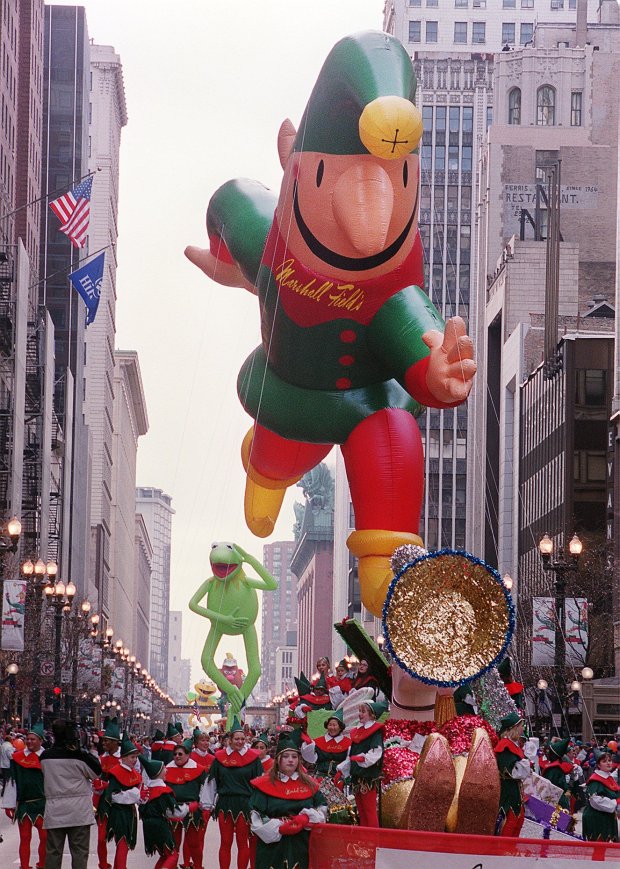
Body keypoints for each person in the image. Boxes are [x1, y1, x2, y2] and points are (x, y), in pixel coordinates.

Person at [249, 732, 327, 869]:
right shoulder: (264, 784)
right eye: (285, 756)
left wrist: (306, 818)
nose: (290, 760)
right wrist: (279, 828)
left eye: (294, 756)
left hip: (302, 842)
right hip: (272, 845)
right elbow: (255, 816)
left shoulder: (310, 784)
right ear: (278, 759)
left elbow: (323, 809)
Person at [40, 718, 102, 869]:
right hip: (78, 811)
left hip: (55, 810)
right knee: (79, 852)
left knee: (53, 852)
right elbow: (97, 773)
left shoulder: (45, 757)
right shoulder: (79, 756)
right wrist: (85, 750)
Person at [204, 717, 263, 869]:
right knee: (225, 841)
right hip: (225, 803)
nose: (240, 742)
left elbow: (259, 783)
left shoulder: (253, 759)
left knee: (243, 842)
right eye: (237, 738)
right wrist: (207, 805)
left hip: (245, 804)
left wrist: (258, 805)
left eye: (243, 739)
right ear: (230, 739)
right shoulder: (219, 758)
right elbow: (212, 783)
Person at [2, 722, 47, 869]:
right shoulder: (17, 758)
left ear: (40, 741)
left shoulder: (47, 758)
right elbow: (12, 781)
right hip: (24, 804)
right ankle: (24, 866)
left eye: (33, 739)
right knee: (25, 838)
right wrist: (9, 804)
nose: (29, 742)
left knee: (45, 838)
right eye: (28, 739)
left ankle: (42, 864)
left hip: (43, 804)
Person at [337, 700, 387, 828]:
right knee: (361, 810)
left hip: (368, 777)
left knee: (369, 810)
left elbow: (376, 752)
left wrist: (363, 759)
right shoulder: (357, 731)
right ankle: (364, 837)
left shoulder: (375, 731)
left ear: (372, 715)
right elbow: (351, 754)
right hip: (357, 776)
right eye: (359, 711)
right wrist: (343, 768)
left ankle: (373, 839)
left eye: (363, 711)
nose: (360, 714)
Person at [99, 733, 142, 869]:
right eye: (132, 757)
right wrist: (136, 794)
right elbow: (114, 796)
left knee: (124, 844)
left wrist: (141, 796)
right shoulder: (116, 772)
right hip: (118, 812)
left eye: (136, 757)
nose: (135, 760)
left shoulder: (134, 773)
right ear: (123, 758)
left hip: (129, 812)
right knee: (122, 842)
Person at [165, 739, 209, 869]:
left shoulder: (199, 770)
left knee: (194, 843)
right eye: (175, 754)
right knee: (174, 843)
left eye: (180, 754)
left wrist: (204, 806)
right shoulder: (167, 769)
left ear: (188, 755)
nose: (177, 756)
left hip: (192, 810)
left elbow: (205, 789)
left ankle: (198, 866)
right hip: (173, 809)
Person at [493, 712, 531, 837]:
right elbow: (513, 772)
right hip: (508, 794)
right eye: (520, 726)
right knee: (508, 826)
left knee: (516, 824)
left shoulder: (513, 745)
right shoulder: (505, 747)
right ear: (513, 728)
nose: (522, 729)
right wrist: (525, 766)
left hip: (515, 794)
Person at [138, 755, 179, 869]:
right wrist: (189, 808)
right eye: (164, 768)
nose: (167, 770)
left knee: (164, 855)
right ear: (158, 773)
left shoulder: (147, 790)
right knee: (173, 855)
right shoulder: (163, 791)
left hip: (148, 826)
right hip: (160, 825)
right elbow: (175, 812)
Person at [94, 717, 122, 869]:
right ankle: (103, 864)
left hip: (120, 803)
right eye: (102, 741)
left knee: (120, 838)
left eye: (107, 741)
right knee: (101, 838)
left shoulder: (125, 759)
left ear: (116, 742)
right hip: (104, 803)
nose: (103, 744)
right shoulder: (99, 759)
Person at [582, 750, 619, 842]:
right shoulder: (595, 780)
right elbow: (595, 800)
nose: (608, 763)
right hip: (597, 819)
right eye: (604, 761)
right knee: (599, 850)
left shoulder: (609, 777)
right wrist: (615, 803)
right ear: (598, 765)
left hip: (607, 818)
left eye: (609, 760)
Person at [541, 738, 572, 810]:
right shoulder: (556, 767)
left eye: (550, 752)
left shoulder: (554, 769)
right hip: (559, 798)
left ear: (553, 755)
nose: (547, 753)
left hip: (555, 801)